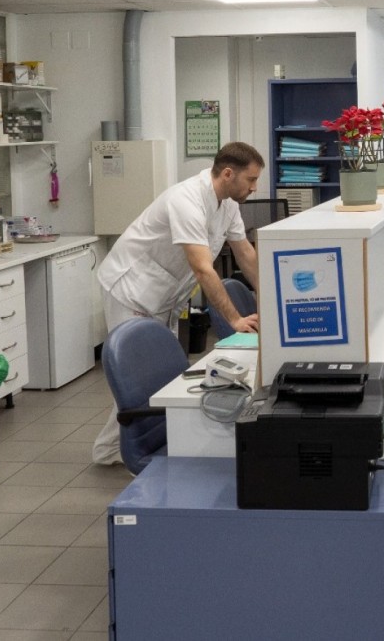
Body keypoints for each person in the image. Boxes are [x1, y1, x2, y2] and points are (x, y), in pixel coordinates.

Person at [92, 141, 265, 465]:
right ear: (228, 173)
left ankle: (110, 448)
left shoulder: (227, 204)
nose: (255, 188)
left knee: (158, 376)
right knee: (140, 376)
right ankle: (116, 450)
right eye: (251, 180)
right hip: (132, 289)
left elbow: (246, 255)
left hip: (163, 294)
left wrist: (272, 302)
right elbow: (203, 268)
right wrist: (235, 320)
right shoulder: (186, 200)